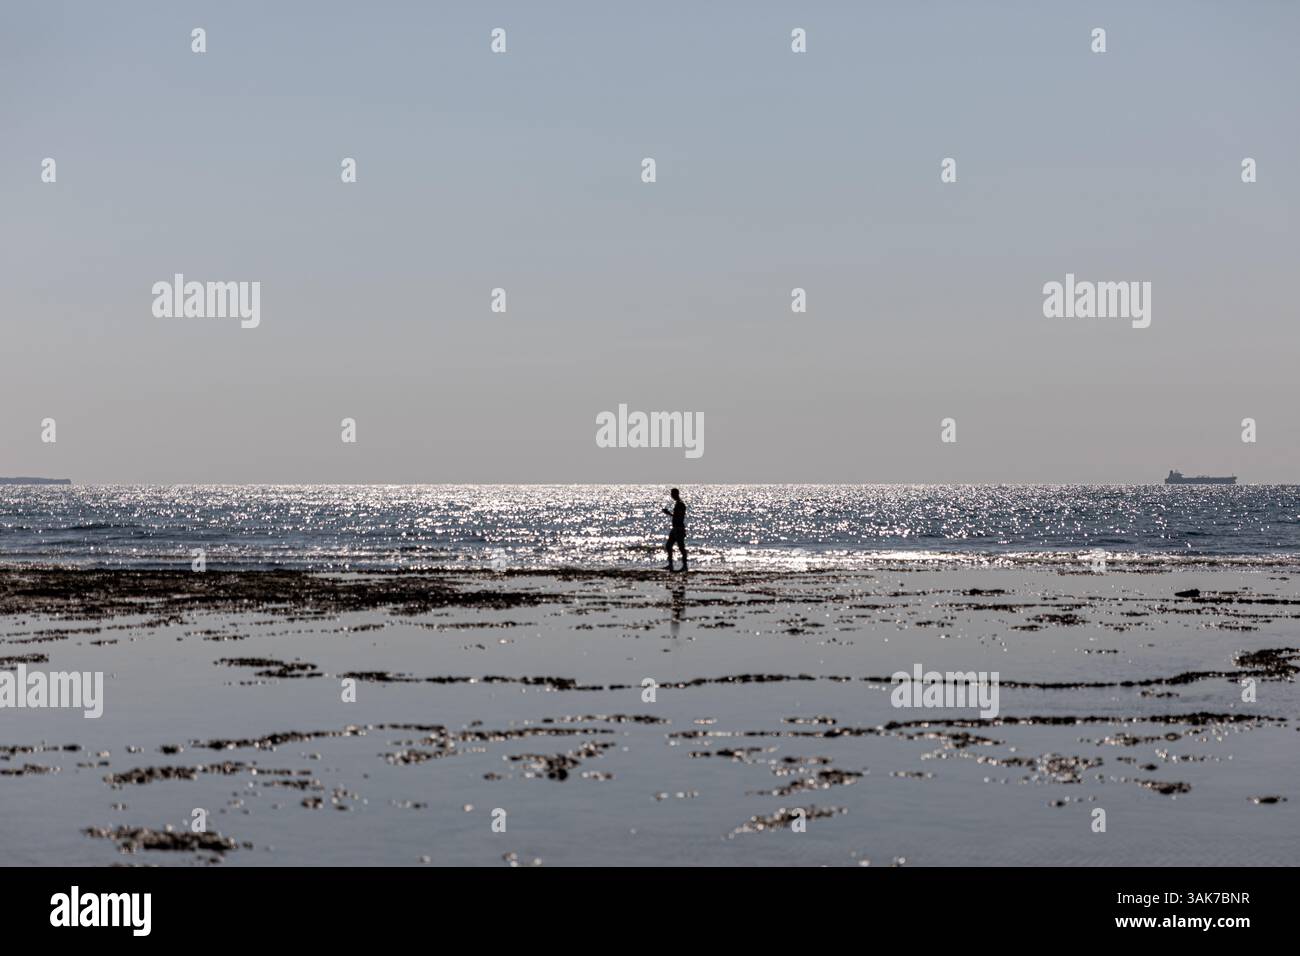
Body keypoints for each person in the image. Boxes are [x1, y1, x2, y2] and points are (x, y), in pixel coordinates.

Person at [663, 488, 687, 572]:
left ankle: (685, 566)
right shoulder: (678, 503)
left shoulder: (680, 504)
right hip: (675, 528)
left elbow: (679, 517)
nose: (671, 495)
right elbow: (676, 516)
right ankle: (670, 565)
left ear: (676, 494)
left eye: (672, 493)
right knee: (668, 546)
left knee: (681, 547)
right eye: (671, 493)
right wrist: (669, 513)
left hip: (679, 528)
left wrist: (668, 513)